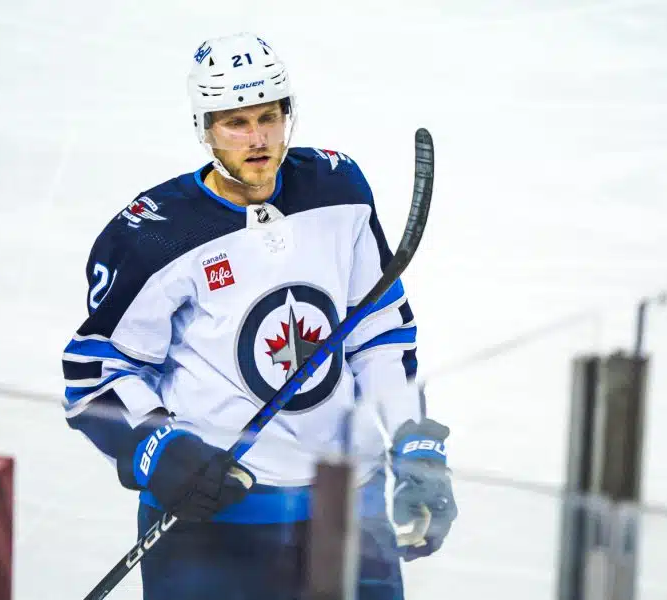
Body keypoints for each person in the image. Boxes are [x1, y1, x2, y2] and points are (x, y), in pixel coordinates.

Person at [61, 32, 457, 600]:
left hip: (346, 506)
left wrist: (413, 443)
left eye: (269, 118)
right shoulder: (155, 235)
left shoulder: (338, 190)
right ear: (204, 128)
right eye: (236, 123)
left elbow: (378, 332)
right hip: (215, 520)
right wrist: (160, 450)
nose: (258, 139)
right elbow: (94, 375)